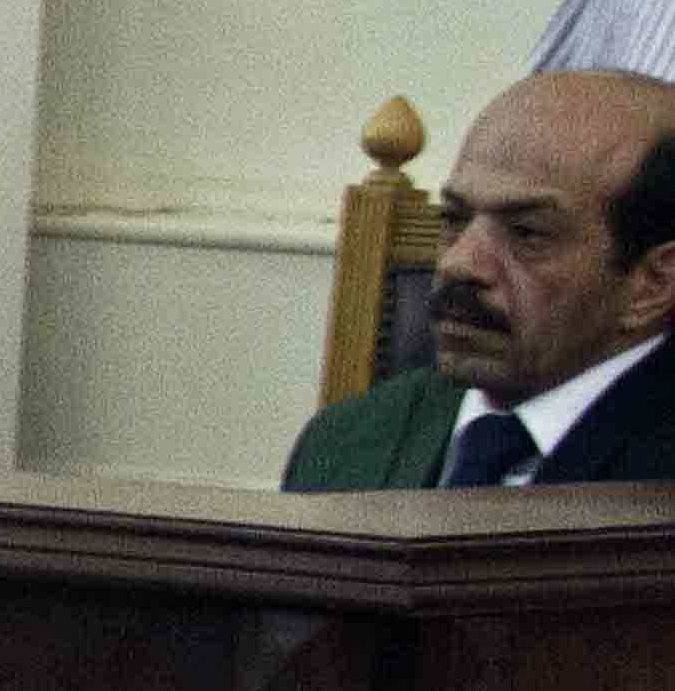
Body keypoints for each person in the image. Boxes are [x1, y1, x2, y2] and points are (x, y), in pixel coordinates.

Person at [284, 72, 675, 490]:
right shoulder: (345, 441)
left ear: (653, 284)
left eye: (527, 233)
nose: (458, 263)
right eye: (453, 219)